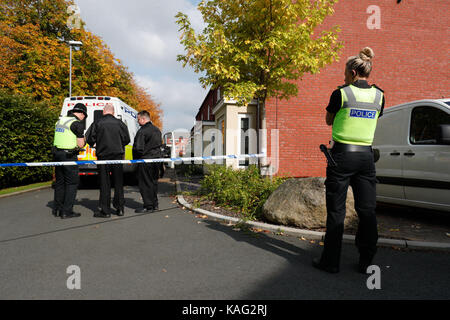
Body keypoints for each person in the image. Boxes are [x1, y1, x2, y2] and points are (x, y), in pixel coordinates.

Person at [313, 47, 385, 274]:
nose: (343, 75)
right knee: (367, 210)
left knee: (337, 211)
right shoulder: (379, 95)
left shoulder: (341, 93)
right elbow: (375, 117)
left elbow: (328, 120)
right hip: (366, 157)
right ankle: (366, 262)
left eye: (345, 71)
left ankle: (331, 263)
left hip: (342, 156)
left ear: (353, 72)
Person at [86, 105, 130, 218]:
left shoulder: (97, 122)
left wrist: (95, 144)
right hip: (117, 156)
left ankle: (105, 211)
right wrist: (119, 145)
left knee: (104, 183)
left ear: (103, 111)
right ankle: (120, 208)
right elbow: (127, 139)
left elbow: (90, 138)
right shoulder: (121, 124)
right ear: (113, 112)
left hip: (103, 156)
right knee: (118, 183)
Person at [52, 103, 87, 219]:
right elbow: (81, 144)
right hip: (69, 156)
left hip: (57, 154)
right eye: (84, 116)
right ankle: (67, 211)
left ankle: (57, 209)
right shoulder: (77, 123)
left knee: (60, 183)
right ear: (81, 113)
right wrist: (85, 139)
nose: (83, 119)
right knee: (72, 183)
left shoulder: (60, 121)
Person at [133, 111, 163, 213]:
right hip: (157, 160)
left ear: (143, 119)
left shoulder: (142, 131)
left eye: (138, 120)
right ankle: (155, 204)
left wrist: (136, 159)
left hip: (145, 160)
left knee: (145, 183)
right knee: (154, 182)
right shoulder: (157, 130)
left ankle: (148, 206)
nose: (138, 122)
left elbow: (138, 148)